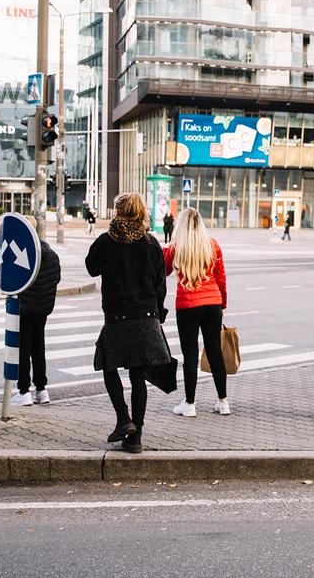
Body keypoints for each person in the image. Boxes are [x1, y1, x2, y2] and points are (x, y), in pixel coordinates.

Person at [86, 192, 174, 454]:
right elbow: (161, 284)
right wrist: (158, 315)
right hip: (146, 317)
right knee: (138, 377)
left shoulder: (106, 241)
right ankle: (135, 438)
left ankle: (123, 419)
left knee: (108, 365)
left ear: (118, 212)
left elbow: (91, 267)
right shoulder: (151, 243)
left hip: (116, 316)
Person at [164, 207, 230, 417]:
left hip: (188, 306)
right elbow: (221, 278)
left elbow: (162, 271)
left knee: (190, 355)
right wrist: (222, 305)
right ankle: (223, 401)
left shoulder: (175, 248)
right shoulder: (212, 246)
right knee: (215, 353)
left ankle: (190, 403)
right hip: (212, 304)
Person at [12, 234, 62, 406]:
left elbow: (15, 280)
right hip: (43, 308)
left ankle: (24, 391)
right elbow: (56, 279)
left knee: (24, 348)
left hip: (25, 308)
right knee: (38, 347)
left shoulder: (25, 253)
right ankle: (41, 390)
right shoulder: (52, 255)